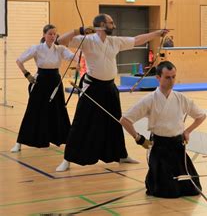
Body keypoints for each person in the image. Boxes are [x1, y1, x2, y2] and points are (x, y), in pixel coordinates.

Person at [55, 13, 168, 172]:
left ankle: (121, 154)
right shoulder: (87, 40)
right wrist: (78, 30)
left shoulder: (114, 41)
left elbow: (137, 40)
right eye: (110, 22)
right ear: (101, 25)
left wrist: (157, 33)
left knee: (116, 121)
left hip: (109, 87)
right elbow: (60, 41)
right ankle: (67, 159)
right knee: (81, 122)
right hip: (92, 87)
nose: (113, 25)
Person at [119, 60, 207, 198]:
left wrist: (187, 131)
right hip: (159, 147)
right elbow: (125, 120)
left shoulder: (180, 98)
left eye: (173, 77)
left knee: (193, 189)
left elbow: (201, 116)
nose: (171, 81)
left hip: (178, 147)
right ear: (158, 78)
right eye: (167, 77)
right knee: (167, 191)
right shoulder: (150, 99)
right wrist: (139, 138)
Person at [11, 24, 76, 153]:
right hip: (40, 81)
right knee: (33, 110)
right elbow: (19, 61)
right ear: (44, 35)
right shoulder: (37, 48)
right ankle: (19, 142)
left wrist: (79, 59)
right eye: (50, 34)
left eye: (54, 34)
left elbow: (72, 57)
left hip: (55, 81)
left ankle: (66, 140)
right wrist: (27, 74)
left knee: (58, 110)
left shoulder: (60, 49)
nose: (52, 36)